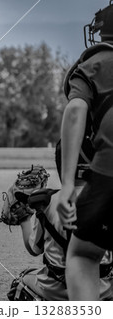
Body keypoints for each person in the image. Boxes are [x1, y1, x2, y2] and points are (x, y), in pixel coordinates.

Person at [56, 1, 113, 300]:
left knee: (83, 256)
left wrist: (67, 184)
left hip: (108, 173)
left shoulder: (96, 62)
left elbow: (76, 110)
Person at [9, 147, 113, 301]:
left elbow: (34, 249)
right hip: (101, 289)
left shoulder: (46, 202)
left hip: (56, 288)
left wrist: (24, 219)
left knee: (20, 282)